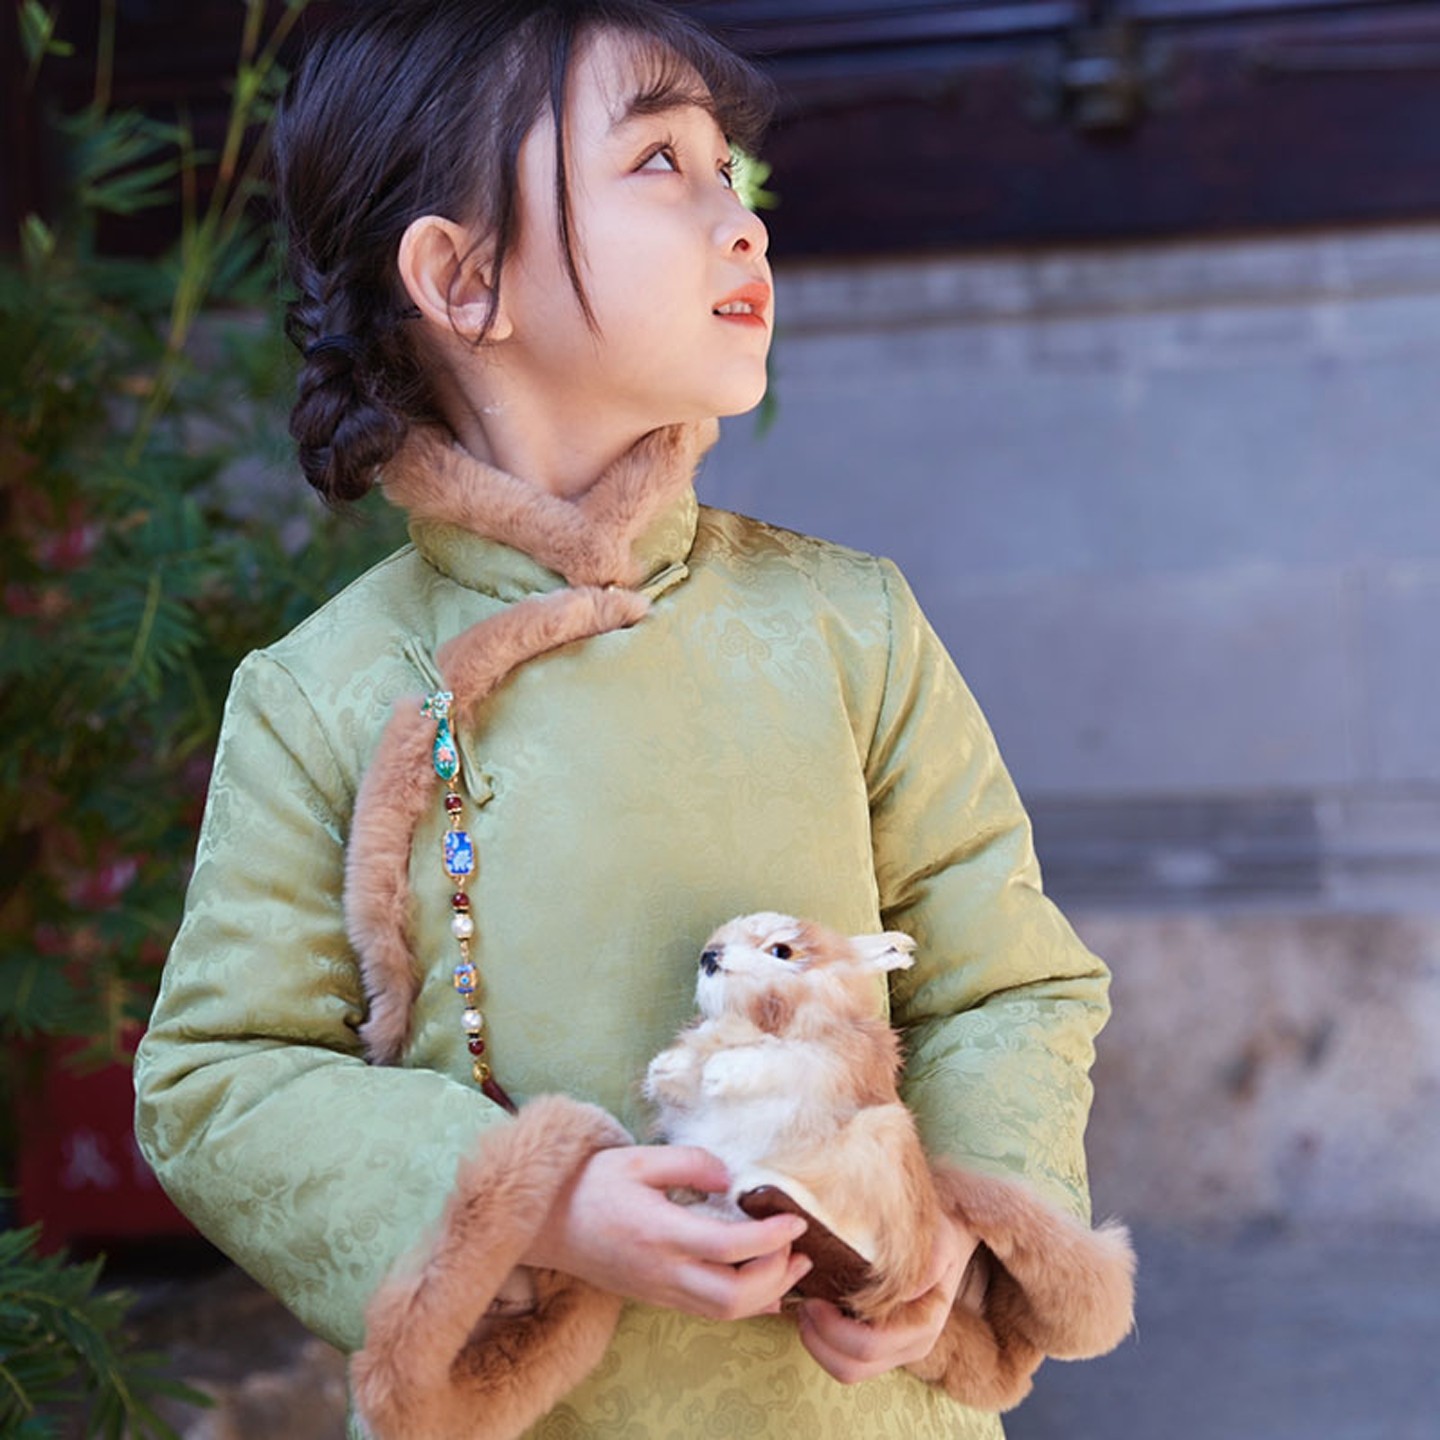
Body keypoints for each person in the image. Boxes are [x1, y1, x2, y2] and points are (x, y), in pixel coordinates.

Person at [134, 3, 1134, 1438]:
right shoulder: (323, 691)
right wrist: (542, 1206)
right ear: (461, 277)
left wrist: (947, 1227)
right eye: (662, 164)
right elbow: (218, 1080)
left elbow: (1009, 985)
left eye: (736, 173)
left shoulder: (848, 626)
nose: (744, 222)